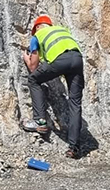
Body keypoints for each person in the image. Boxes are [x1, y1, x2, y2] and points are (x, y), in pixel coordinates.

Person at [22, 14, 84, 158]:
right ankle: (74, 147)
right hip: (77, 59)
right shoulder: (62, 30)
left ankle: (39, 121)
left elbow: (33, 67)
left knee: (33, 80)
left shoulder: (37, 36)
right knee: (75, 103)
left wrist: (27, 58)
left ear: (37, 27)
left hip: (60, 60)